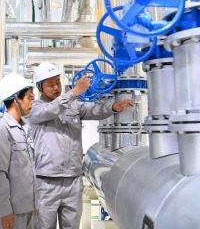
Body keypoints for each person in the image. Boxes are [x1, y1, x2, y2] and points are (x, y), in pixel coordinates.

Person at [27, 62, 134, 229]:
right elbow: (51, 110)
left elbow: (94, 110)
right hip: (46, 182)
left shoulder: (73, 105)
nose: (56, 87)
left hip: (73, 180)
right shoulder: (35, 108)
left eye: (58, 82)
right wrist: (74, 92)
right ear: (40, 88)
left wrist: (113, 107)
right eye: (50, 85)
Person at [0, 73, 37, 229]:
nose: (32, 102)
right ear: (16, 100)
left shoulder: (25, 128)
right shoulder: (1, 131)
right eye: (29, 98)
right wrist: (5, 209)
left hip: (29, 208)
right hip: (12, 212)